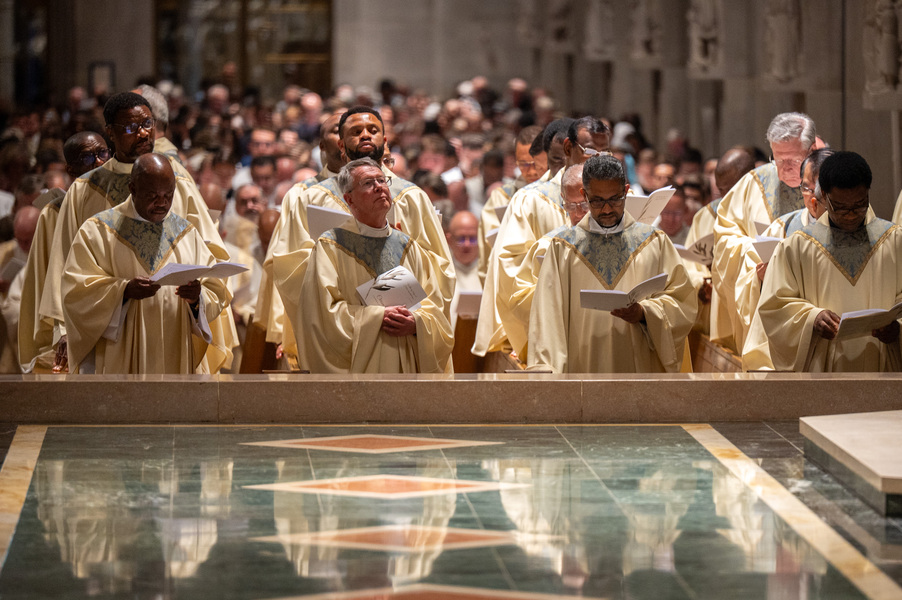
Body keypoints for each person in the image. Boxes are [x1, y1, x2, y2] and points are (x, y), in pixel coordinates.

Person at [40, 92, 231, 372]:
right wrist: (65, 328)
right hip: (110, 337)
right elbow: (66, 266)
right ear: (110, 133)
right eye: (131, 128)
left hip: (174, 334)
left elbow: (210, 257)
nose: (142, 133)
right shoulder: (85, 189)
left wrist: (198, 295)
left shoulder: (179, 181)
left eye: (147, 124)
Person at [269, 106, 454, 370]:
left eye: (373, 130)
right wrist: (337, 257)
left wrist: (399, 248)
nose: (365, 135)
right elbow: (289, 271)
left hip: (404, 336)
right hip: (343, 332)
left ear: (385, 141)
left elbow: (440, 273)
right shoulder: (309, 197)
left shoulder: (412, 197)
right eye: (356, 132)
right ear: (341, 146)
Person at [61, 154, 230, 374]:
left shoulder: (186, 233)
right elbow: (76, 293)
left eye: (168, 195)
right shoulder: (98, 231)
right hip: (120, 354)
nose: (161, 203)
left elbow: (215, 290)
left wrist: (196, 298)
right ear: (132, 188)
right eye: (152, 195)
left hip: (174, 349)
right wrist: (122, 291)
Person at [528, 155, 696, 373]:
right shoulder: (563, 249)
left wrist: (645, 313)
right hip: (582, 371)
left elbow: (683, 301)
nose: (607, 209)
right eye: (597, 201)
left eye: (615, 199)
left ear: (626, 191)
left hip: (640, 372)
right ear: (584, 195)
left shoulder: (654, 242)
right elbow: (547, 321)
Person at [299, 158, 453, 373]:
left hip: (408, 368)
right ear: (349, 199)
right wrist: (377, 317)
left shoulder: (408, 246)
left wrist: (417, 323)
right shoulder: (330, 246)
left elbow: (435, 308)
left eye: (382, 180)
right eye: (368, 183)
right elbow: (321, 316)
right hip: (362, 372)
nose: (379, 187)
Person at [473, 116, 605, 359]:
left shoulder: (609, 197)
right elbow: (510, 273)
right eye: (591, 151)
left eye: (604, 152)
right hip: (549, 326)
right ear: (569, 149)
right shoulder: (530, 199)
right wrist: (558, 301)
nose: (598, 158)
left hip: (602, 327)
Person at [757, 151, 902, 372]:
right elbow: (774, 307)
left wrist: (898, 329)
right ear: (823, 196)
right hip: (824, 370)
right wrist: (811, 319)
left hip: (884, 365)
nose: (851, 215)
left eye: (860, 205)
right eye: (841, 208)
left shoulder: (895, 240)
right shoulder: (797, 247)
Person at [713, 112, 815, 354]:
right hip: (765, 301)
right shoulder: (753, 183)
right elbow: (725, 239)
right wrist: (754, 257)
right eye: (778, 160)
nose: (785, 168)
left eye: (793, 159)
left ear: (811, 151)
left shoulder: (832, 182)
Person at [17, 132, 110, 373]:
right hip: (74, 320)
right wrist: (62, 329)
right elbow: (53, 271)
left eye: (102, 153)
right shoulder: (54, 213)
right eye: (87, 158)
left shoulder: (121, 202)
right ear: (71, 169)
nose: (99, 162)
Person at [503, 163, 588, 359]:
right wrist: (551, 295)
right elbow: (519, 298)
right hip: (560, 344)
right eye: (570, 206)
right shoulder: (548, 244)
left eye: (584, 205)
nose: (578, 213)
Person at [477, 125, 544, 285]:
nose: (531, 172)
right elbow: (488, 253)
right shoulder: (502, 196)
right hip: (509, 282)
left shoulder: (560, 196)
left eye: (536, 164)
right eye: (523, 164)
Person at [0, 206, 40, 372]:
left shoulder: (48, 253)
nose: (22, 246)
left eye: (28, 240)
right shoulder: (4, 252)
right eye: (19, 240)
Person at [446, 210, 482, 329]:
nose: (467, 244)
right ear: (449, 240)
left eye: (472, 239)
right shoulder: (441, 272)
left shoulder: (490, 272)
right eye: (461, 239)